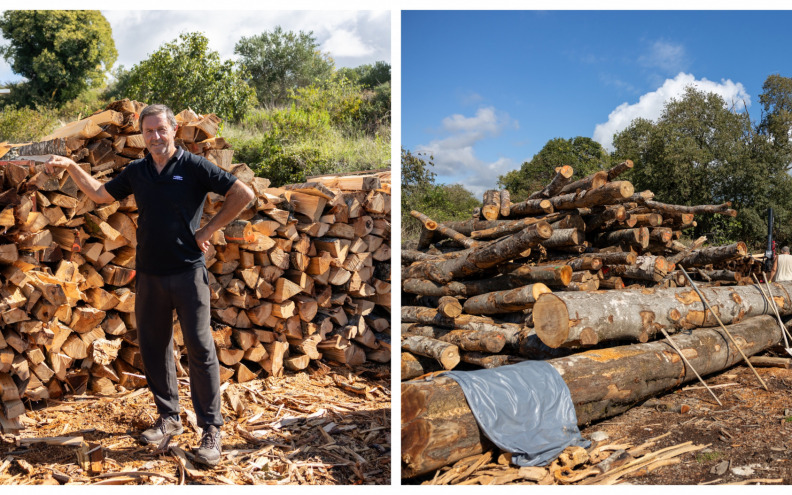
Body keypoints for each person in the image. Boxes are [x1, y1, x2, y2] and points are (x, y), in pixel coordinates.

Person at [45, 104, 255, 467]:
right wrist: (72, 167)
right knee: (154, 348)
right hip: (149, 274)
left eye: (161, 129)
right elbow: (99, 194)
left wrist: (208, 230)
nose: (155, 136)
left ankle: (210, 431)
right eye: (149, 131)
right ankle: (169, 418)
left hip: (188, 273)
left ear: (174, 130)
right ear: (142, 135)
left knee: (201, 349)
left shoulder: (194, 167)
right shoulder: (138, 171)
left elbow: (243, 194)